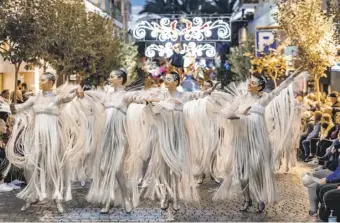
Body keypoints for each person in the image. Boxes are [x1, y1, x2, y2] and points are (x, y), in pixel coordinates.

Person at [214, 69, 304, 212]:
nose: (249, 84)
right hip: (241, 141)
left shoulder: (263, 99)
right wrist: (237, 115)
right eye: (249, 82)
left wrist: (292, 76)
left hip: (258, 141)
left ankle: (260, 198)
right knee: (243, 173)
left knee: (257, 170)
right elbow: (227, 113)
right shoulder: (241, 99)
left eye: (253, 83)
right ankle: (247, 199)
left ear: (260, 86)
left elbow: (279, 90)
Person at [6, 72, 84, 213]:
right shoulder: (35, 98)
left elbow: (69, 97)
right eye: (40, 80)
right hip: (36, 137)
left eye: (43, 80)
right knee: (30, 165)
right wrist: (12, 107)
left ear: (51, 82)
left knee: (53, 167)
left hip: (53, 137)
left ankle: (57, 197)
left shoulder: (57, 98)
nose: (40, 82)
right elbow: (20, 107)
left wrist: (77, 89)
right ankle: (33, 194)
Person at [86, 69, 149, 214]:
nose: (110, 78)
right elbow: (94, 100)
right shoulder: (108, 95)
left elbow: (136, 97)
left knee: (117, 169)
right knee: (104, 168)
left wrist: (148, 99)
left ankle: (126, 198)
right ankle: (108, 200)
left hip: (119, 136)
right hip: (105, 137)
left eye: (112, 76)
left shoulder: (125, 95)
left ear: (121, 79)